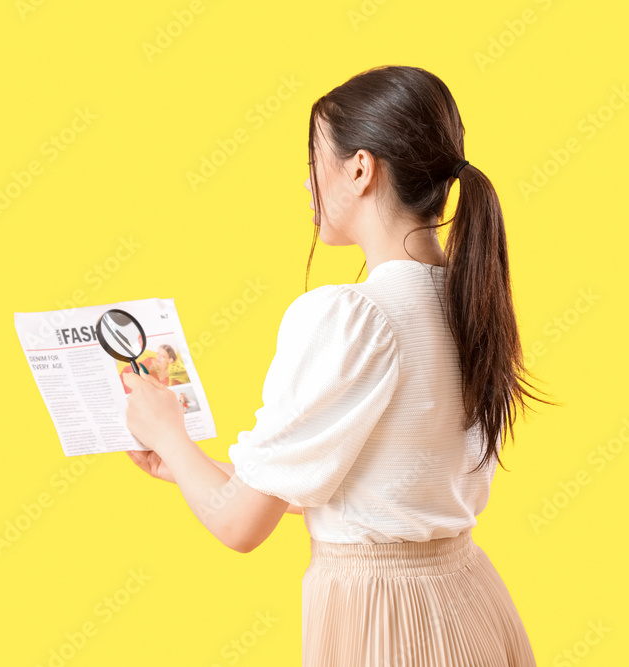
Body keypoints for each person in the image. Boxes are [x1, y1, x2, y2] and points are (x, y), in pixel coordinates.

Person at [122, 65, 559, 666]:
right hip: (468, 603)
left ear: (360, 168)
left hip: (384, 619)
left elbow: (239, 528)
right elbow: (378, 489)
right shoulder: (467, 301)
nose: (307, 185)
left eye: (314, 162)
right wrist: (194, 466)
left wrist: (167, 430)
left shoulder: (352, 315)